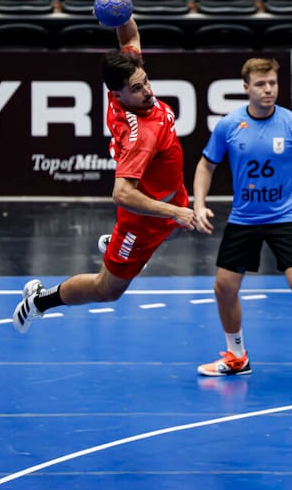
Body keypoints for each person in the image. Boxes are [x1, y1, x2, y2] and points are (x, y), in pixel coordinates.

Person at [11, 16, 197, 333]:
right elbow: (122, 194)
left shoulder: (124, 85)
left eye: (147, 81)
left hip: (170, 193)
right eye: (137, 89)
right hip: (143, 217)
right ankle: (38, 301)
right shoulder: (142, 137)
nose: (148, 92)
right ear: (118, 94)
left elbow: (131, 35)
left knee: (177, 230)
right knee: (107, 289)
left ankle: (115, 243)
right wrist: (175, 211)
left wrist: (120, 13)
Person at [192, 57, 292, 391]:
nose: (268, 89)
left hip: (286, 217)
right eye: (261, 84)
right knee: (224, 288)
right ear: (246, 88)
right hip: (244, 218)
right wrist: (198, 204)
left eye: (272, 83)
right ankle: (236, 356)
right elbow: (205, 166)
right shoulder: (230, 126)